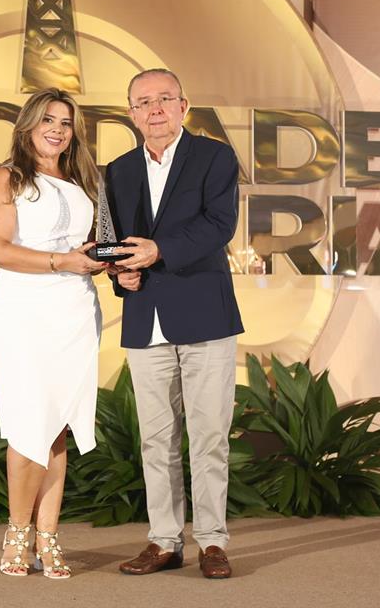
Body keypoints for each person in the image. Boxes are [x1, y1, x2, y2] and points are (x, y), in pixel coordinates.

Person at [105, 69, 244, 579]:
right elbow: (116, 242)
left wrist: (159, 250)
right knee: (155, 439)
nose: (155, 109)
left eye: (165, 98)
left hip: (205, 314)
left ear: (184, 106)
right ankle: (164, 541)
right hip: (146, 318)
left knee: (209, 436)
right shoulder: (116, 171)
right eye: (144, 102)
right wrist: (121, 275)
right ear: (131, 113)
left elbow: (219, 225)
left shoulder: (215, 157)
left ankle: (211, 541)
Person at [0, 88, 106, 579]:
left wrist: (99, 261)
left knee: (57, 425)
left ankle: (48, 536)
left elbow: (84, 248)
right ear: (28, 125)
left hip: (75, 310)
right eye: (47, 120)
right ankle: (17, 533)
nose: (57, 129)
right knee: (28, 420)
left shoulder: (82, 182)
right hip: (22, 309)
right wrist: (62, 261)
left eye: (66, 122)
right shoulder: (7, 177)